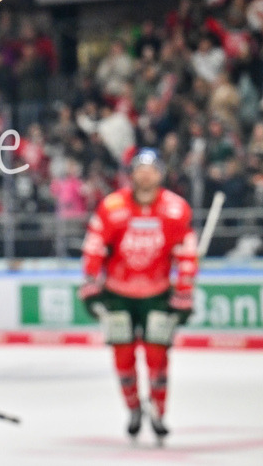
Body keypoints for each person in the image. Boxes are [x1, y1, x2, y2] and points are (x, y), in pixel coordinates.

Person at [78, 147, 198, 444]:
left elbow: (186, 252)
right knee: (123, 356)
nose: (145, 175)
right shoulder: (112, 205)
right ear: (131, 174)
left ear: (160, 174)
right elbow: (94, 246)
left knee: (157, 357)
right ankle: (133, 409)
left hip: (157, 293)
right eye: (140, 169)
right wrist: (91, 284)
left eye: (152, 169)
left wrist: (184, 290)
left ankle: (158, 412)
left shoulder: (176, 208)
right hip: (118, 293)